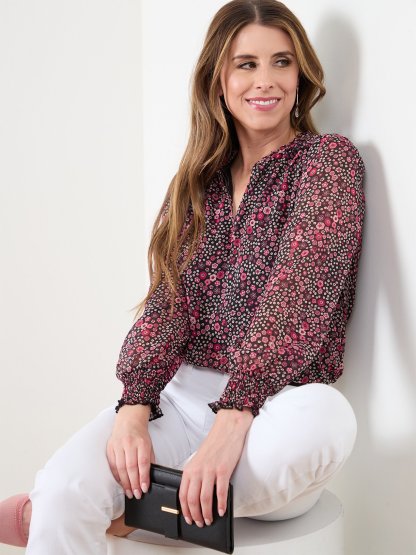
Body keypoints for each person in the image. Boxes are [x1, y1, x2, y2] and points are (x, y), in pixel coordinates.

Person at [0, 0, 365, 553]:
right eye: (246, 64)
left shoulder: (327, 163)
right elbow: (167, 305)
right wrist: (134, 405)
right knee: (61, 486)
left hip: (276, 408)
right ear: (218, 79)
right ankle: (106, 504)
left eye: (281, 61)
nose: (265, 81)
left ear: (301, 74)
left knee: (327, 421)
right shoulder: (198, 182)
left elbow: (298, 298)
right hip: (182, 398)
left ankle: (131, 511)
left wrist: (233, 421)